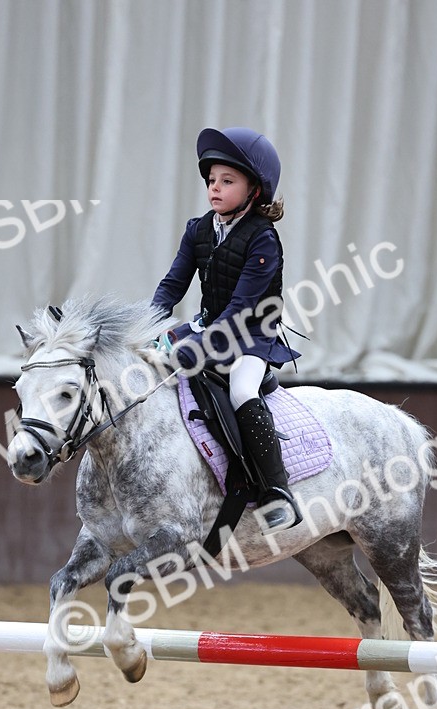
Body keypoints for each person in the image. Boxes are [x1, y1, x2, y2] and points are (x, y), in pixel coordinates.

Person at [152, 126, 302, 530]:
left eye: (227, 181)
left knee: (241, 389)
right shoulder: (198, 230)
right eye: (211, 180)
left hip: (251, 336)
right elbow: (172, 285)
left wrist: (198, 344)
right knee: (154, 361)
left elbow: (241, 308)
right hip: (209, 327)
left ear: (254, 190)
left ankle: (276, 489)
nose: (214, 188)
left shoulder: (263, 239)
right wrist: (146, 327)